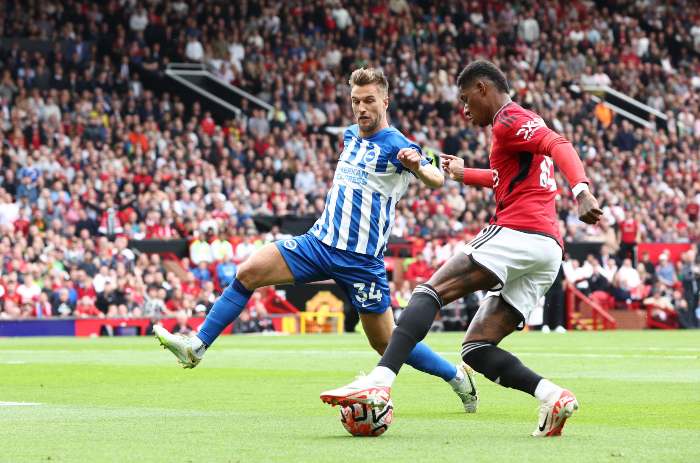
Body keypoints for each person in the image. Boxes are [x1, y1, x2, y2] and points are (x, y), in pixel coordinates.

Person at [154, 67, 478, 413]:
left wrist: (417, 165)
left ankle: (456, 377)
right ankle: (197, 346)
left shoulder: (399, 144)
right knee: (248, 271)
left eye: (369, 100)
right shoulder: (350, 135)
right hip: (318, 244)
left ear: (386, 101)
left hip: (361, 262)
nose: (361, 108)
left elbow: (435, 179)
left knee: (386, 341)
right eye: (356, 101)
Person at [320, 60, 603, 437]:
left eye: (467, 100)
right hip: (548, 249)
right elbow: (507, 178)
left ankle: (380, 381)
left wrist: (581, 190)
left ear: (484, 88)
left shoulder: (508, 118)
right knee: (477, 348)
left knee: (428, 291)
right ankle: (552, 396)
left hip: (519, 232)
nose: (465, 110)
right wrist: (463, 174)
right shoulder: (514, 128)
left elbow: (558, 143)